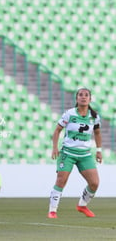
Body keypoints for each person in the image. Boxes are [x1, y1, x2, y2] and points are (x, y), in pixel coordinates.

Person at [48, 88, 102, 219]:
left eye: (86, 95)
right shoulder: (69, 114)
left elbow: (97, 133)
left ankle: (82, 205)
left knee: (94, 183)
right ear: (77, 98)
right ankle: (52, 210)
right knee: (61, 180)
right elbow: (57, 131)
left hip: (85, 154)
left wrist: (99, 151)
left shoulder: (94, 117)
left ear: (90, 99)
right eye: (80, 95)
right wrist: (55, 147)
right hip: (67, 153)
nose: (83, 97)